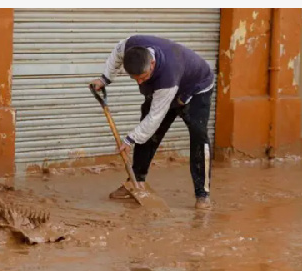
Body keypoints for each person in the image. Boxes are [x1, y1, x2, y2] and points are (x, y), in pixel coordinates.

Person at [90, 35, 214, 209]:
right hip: (164, 88)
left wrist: (129, 139)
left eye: (143, 77)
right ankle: (136, 182)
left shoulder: (167, 77)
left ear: (152, 65)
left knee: (198, 136)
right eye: (135, 79)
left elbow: (155, 117)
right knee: (147, 135)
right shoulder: (130, 46)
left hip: (196, 88)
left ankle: (203, 194)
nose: (140, 82)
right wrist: (105, 79)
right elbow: (117, 54)